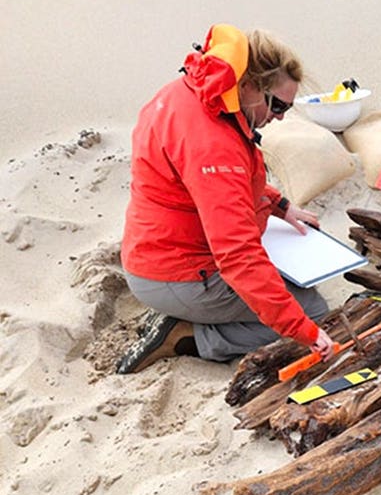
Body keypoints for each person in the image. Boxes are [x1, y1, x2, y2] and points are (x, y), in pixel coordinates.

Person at [117, 24, 334, 374]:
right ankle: (190, 336)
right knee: (313, 309)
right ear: (248, 85)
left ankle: (187, 315)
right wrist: (304, 330)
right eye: (277, 105)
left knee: (285, 287)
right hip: (179, 273)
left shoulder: (192, 92)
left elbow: (211, 185)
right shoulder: (215, 143)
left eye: (287, 110)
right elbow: (237, 256)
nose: (278, 117)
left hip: (153, 252)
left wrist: (278, 205)